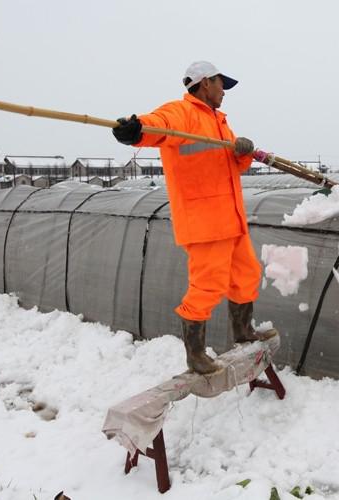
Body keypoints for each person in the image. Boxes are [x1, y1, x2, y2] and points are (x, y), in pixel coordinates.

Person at [112, 61, 276, 374]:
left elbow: (233, 167)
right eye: (220, 84)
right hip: (204, 220)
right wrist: (135, 129)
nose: (224, 91)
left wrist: (241, 153)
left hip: (231, 217)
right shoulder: (181, 113)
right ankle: (196, 353)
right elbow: (156, 126)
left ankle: (243, 331)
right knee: (208, 285)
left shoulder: (220, 122)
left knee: (246, 275)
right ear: (204, 83)